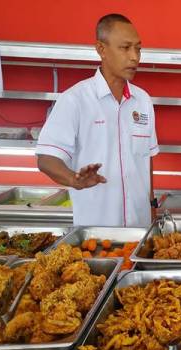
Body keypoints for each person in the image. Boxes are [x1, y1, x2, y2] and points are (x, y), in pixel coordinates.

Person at [36, 14, 158, 227]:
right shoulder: (75, 100)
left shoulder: (143, 100)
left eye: (138, 48)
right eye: (125, 48)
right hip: (95, 234)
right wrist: (74, 179)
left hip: (140, 230)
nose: (135, 57)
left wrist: (152, 204)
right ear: (101, 49)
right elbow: (46, 159)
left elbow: (146, 160)